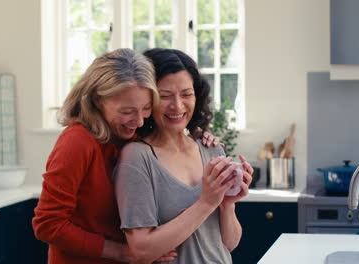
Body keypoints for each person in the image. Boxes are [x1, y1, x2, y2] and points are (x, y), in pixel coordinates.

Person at [32, 48, 220, 264]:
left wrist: (197, 135)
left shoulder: (131, 137)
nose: (139, 120)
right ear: (96, 100)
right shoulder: (77, 142)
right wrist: (120, 252)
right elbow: (47, 224)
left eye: (146, 108)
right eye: (127, 111)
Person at [114, 48, 253, 264]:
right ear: (148, 100)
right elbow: (141, 251)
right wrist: (206, 203)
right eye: (165, 96)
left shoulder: (212, 149)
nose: (177, 106)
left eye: (187, 94)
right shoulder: (137, 158)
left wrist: (227, 204)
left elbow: (229, 243)